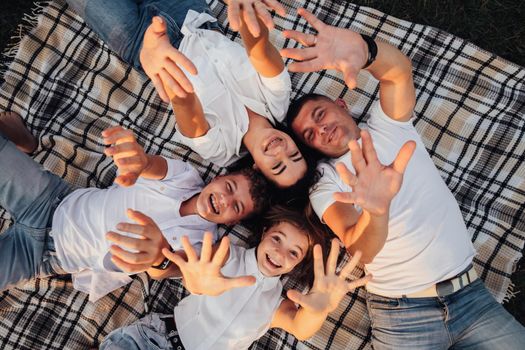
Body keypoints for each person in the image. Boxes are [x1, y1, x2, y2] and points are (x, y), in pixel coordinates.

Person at [282, 7, 525, 349]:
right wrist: (376, 210)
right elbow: (358, 248)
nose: (320, 129)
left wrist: (365, 50)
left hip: (471, 298)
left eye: (320, 115)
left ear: (342, 104)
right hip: (403, 314)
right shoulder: (327, 182)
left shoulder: (387, 125)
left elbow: (396, 73)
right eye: (309, 134)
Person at [0, 111, 270, 302]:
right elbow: (152, 166)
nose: (225, 200)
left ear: (233, 222)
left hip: (42, 256)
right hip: (49, 199)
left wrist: (159, 258)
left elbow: (172, 270)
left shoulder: (201, 244)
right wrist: (140, 161)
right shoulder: (187, 177)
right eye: (230, 188)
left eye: (236, 207)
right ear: (219, 177)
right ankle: (27, 143)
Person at [65, 0, 309, 189]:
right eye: (294, 155)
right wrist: (245, 13)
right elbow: (259, 52)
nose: (281, 151)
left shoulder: (222, 151)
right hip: (188, 12)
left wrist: (156, 49)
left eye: (277, 166)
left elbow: (184, 100)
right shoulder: (278, 102)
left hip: (145, 46)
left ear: (257, 170)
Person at [99, 206, 371, 350]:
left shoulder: (277, 302)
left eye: (293, 253)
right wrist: (165, 261)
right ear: (264, 233)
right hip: (155, 340)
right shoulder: (229, 254)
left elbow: (301, 328)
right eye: (277, 239)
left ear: (298, 264)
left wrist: (320, 307)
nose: (279, 252)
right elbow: (179, 268)